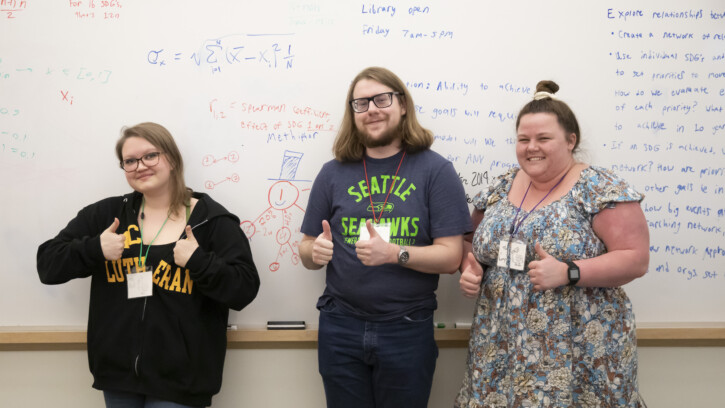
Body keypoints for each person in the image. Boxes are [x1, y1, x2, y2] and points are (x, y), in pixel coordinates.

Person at [37, 122, 260, 408]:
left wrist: (199, 262)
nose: (140, 166)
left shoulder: (211, 221)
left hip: (182, 382)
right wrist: (94, 249)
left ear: (172, 159)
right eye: (130, 161)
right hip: (118, 376)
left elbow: (245, 289)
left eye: (150, 156)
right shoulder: (107, 215)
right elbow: (47, 264)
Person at [456, 80, 650, 407]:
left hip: (577, 349)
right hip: (500, 343)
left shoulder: (599, 188)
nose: (532, 147)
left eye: (544, 138)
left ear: (570, 140)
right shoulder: (502, 185)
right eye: (523, 139)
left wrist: (568, 271)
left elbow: (635, 258)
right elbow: (468, 240)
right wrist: (470, 265)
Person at [299, 66, 472, 408]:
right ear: (353, 113)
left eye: (381, 99)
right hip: (340, 325)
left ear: (403, 104)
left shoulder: (436, 171)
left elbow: (452, 256)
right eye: (361, 103)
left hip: (407, 328)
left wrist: (394, 254)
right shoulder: (332, 173)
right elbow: (305, 247)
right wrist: (313, 252)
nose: (372, 109)